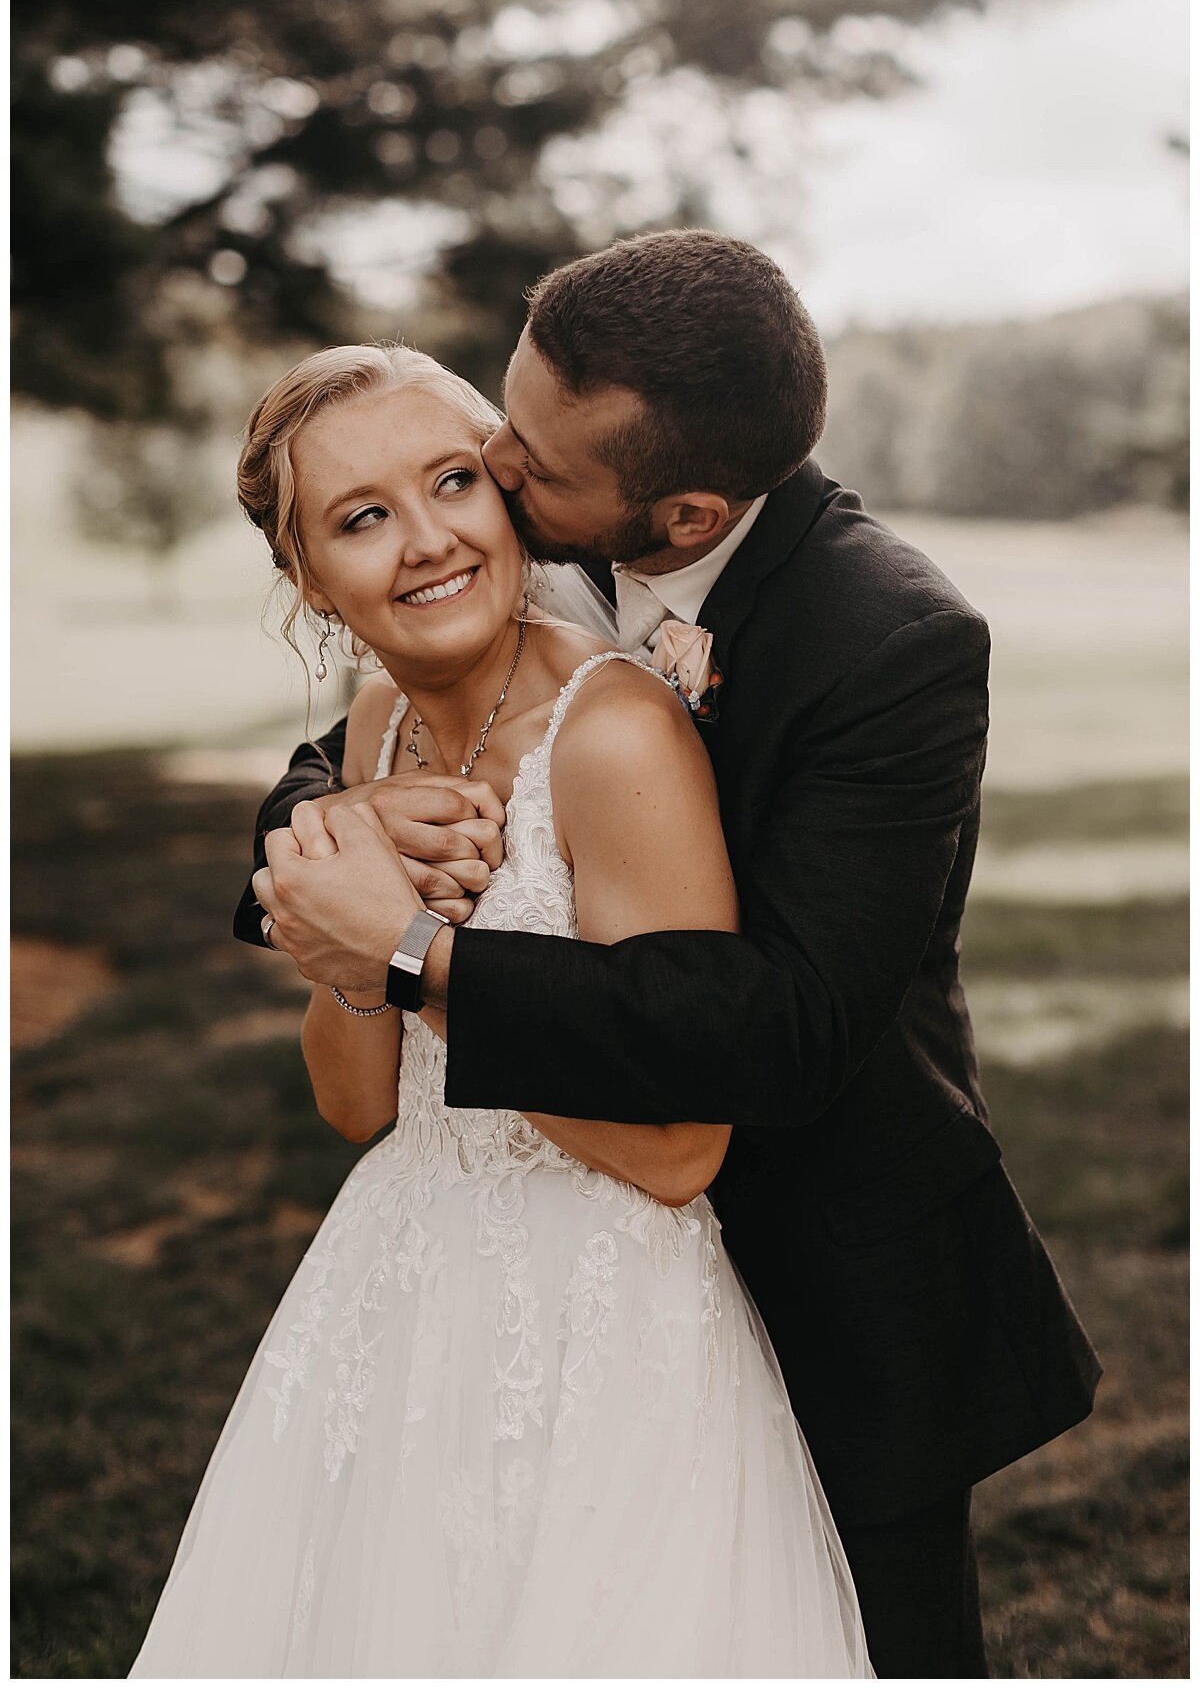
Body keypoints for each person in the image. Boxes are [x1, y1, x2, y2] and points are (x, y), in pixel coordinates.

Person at [236, 230, 1103, 1678]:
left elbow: (783, 1028)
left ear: (684, 511)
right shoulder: (552, 536)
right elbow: (357, 750)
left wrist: (404, 951)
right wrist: (325, 833)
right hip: (487, 1278)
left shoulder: (888, 640)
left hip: (830, 1258)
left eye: (511, 463)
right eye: (498, 424)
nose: (492, 470)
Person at [131, 343, 873, 1676]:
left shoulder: (615, 732)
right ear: (308, 578)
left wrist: (410, 952)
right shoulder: (372, 732)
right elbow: (355, 1102)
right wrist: (345, 904)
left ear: (508, 489)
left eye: (453, 481)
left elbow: (678, 1150)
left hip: (601, 1327)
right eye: (362, 517)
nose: (428, 541)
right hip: (399, 1296)